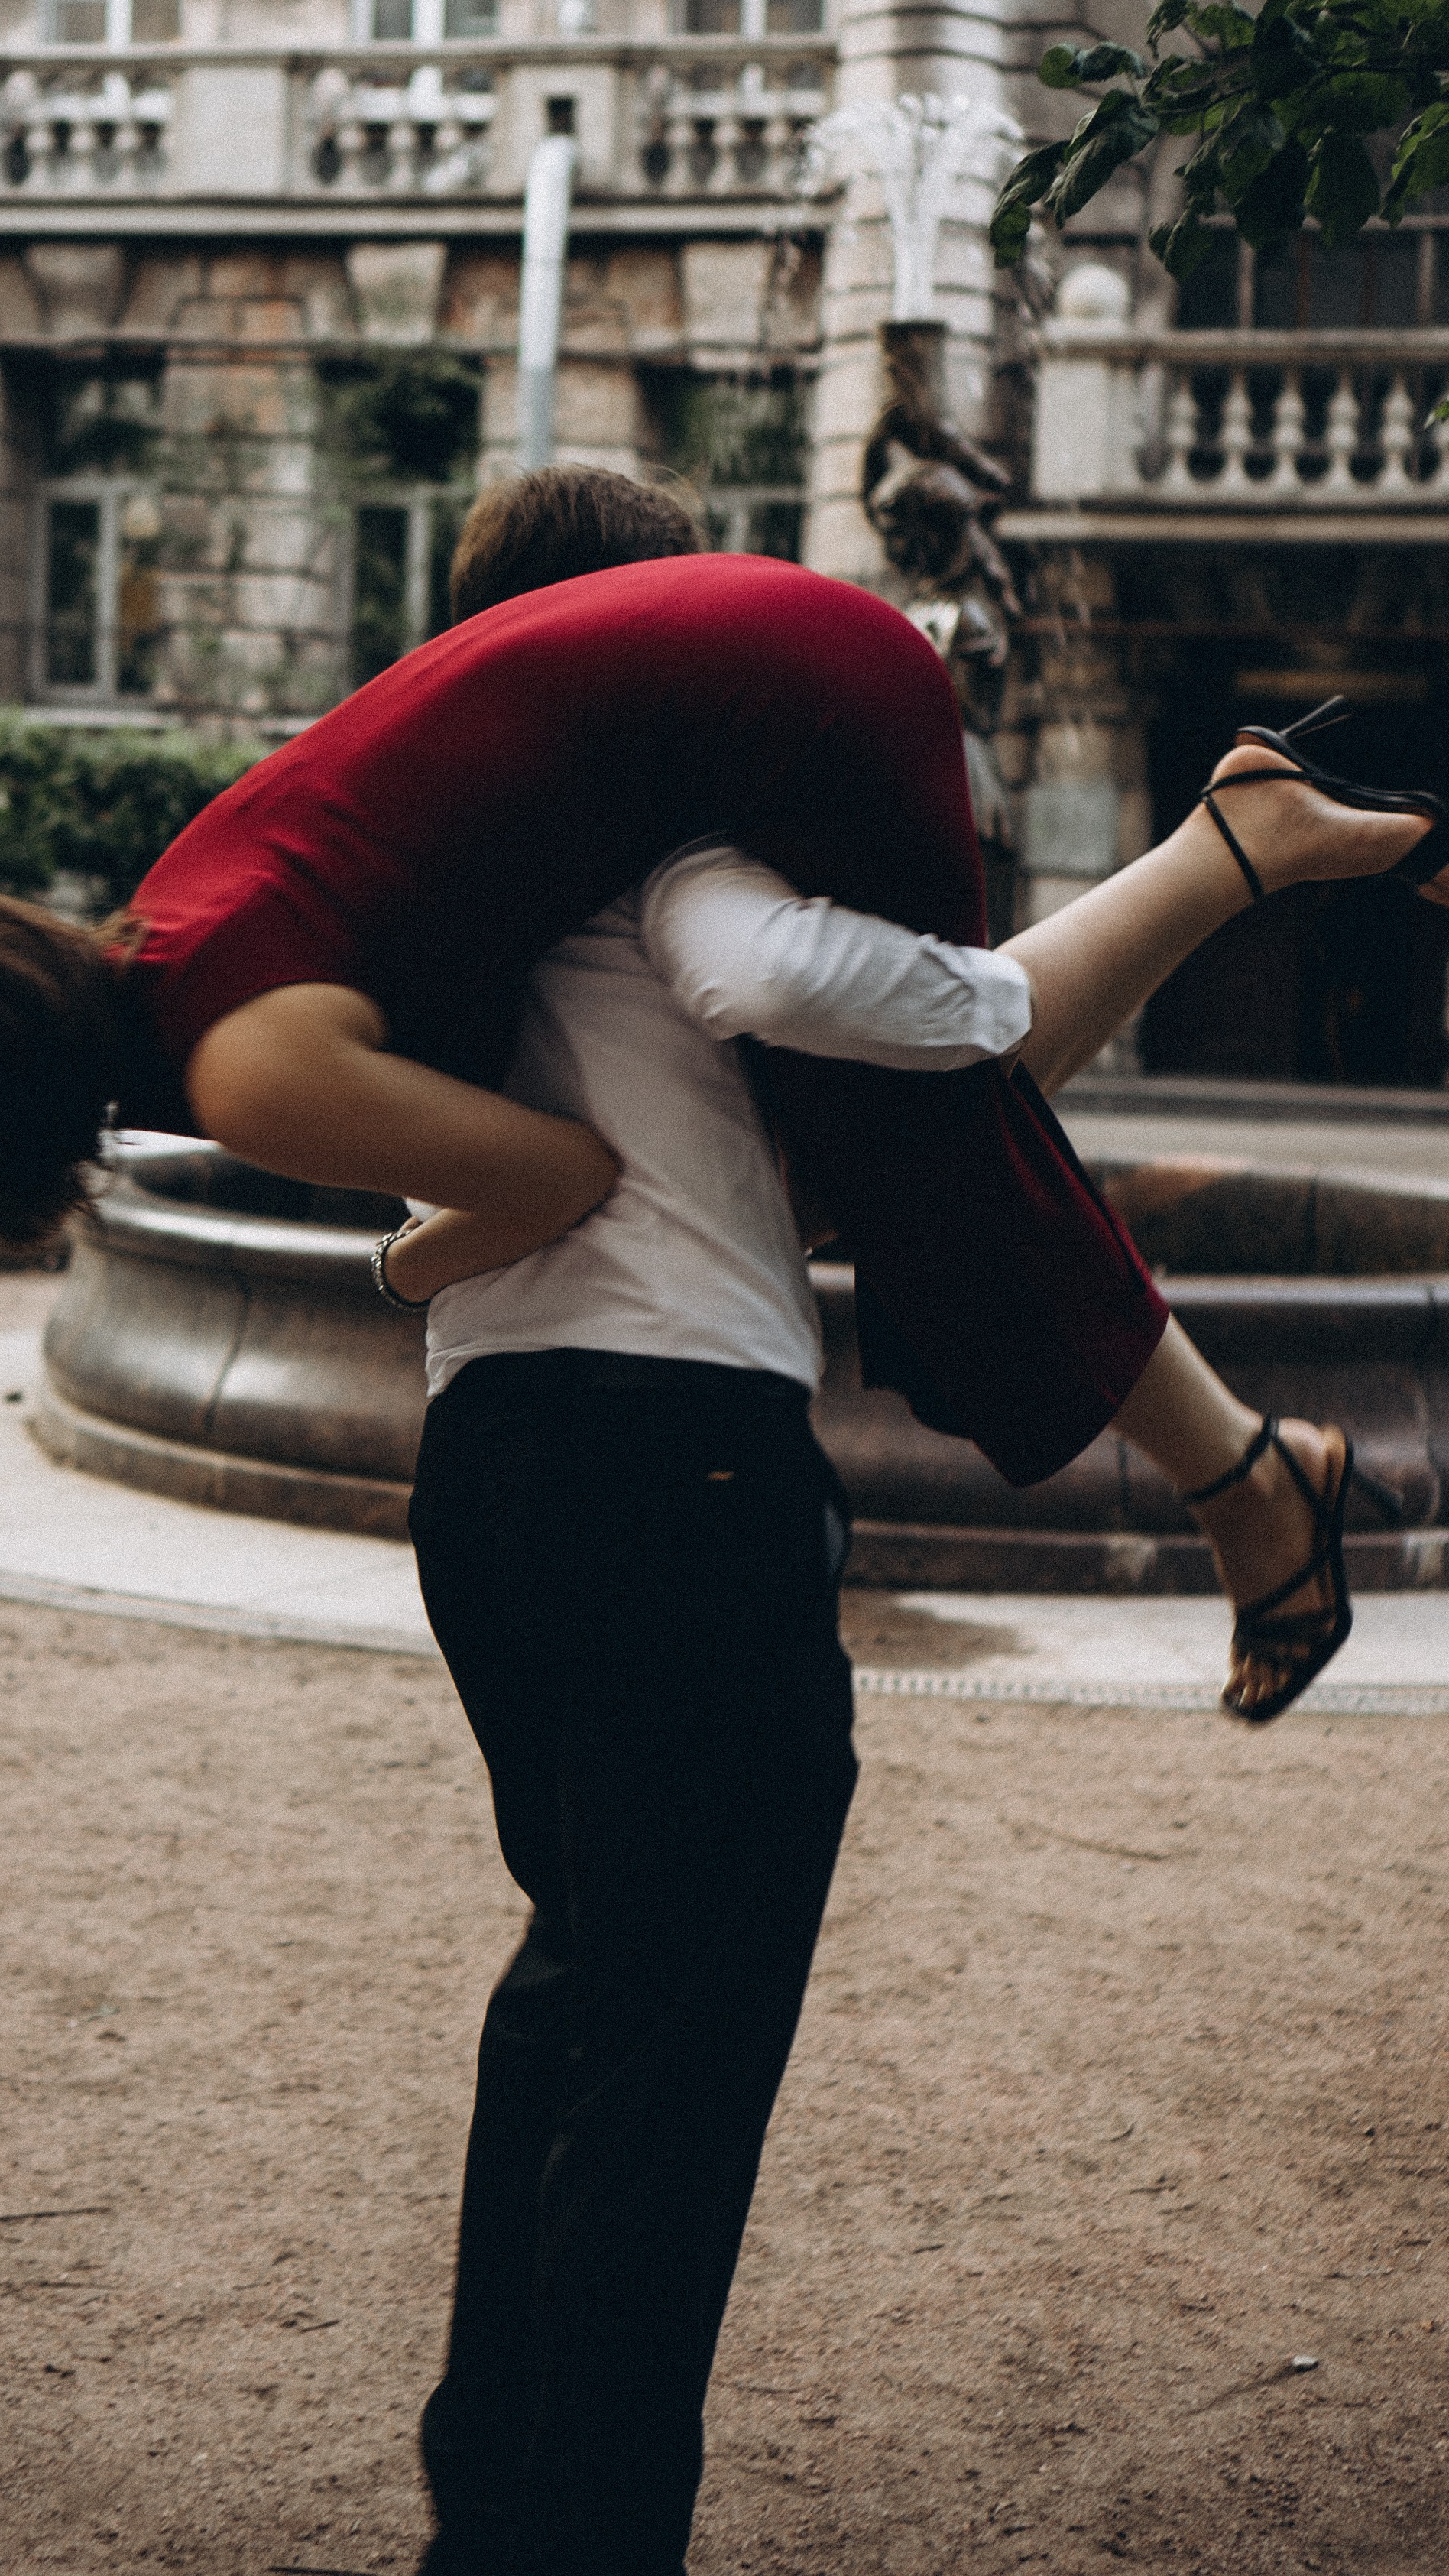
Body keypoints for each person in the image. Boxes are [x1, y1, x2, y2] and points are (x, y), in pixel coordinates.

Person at [0, 471, 1445, 1717]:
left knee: (908, 1117)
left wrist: (396, 1265)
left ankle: (1241, 1468)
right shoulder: (172, 924)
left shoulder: (241, 1059)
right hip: (763, 666)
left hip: (800, 697)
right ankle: (1238, 882)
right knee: (846, 1140)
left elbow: (560, 1176)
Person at [402, 833, 1031, 2576]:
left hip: (487, 1453)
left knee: (583, 1982)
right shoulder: (661, 843)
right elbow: (768, 971)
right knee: (669, 2064)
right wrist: (997, 990)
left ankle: (496, 2509)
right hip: (676, 1465)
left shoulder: (475, 878)